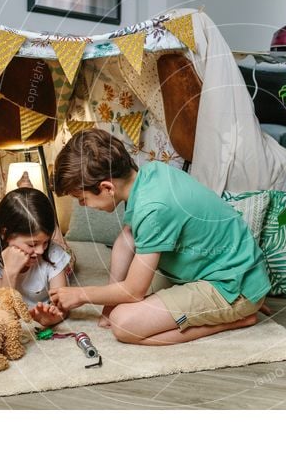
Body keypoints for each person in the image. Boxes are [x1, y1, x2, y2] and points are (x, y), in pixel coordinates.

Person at [49, 128, 270, 346]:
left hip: (232, 287)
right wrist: (108, 306)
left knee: (124, 324)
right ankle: (229, 309)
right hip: (226, 272)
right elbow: (127, 239)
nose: (83, 205)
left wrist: (82, 294)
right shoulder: (149, 175)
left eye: (82, 198)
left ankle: (237, 318)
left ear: (107, 187)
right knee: (124, 284)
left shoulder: (153, 208)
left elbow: (135, 291)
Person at [0, 187, 70, 327]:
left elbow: (62, 306)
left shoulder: (52, 251)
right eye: (32, 244)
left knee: (65, 255)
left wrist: (52, 318)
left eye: (45, 242)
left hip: (57, 256)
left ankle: (59, 240)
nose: (41, 250)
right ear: (5, 233)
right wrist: (9, 272)